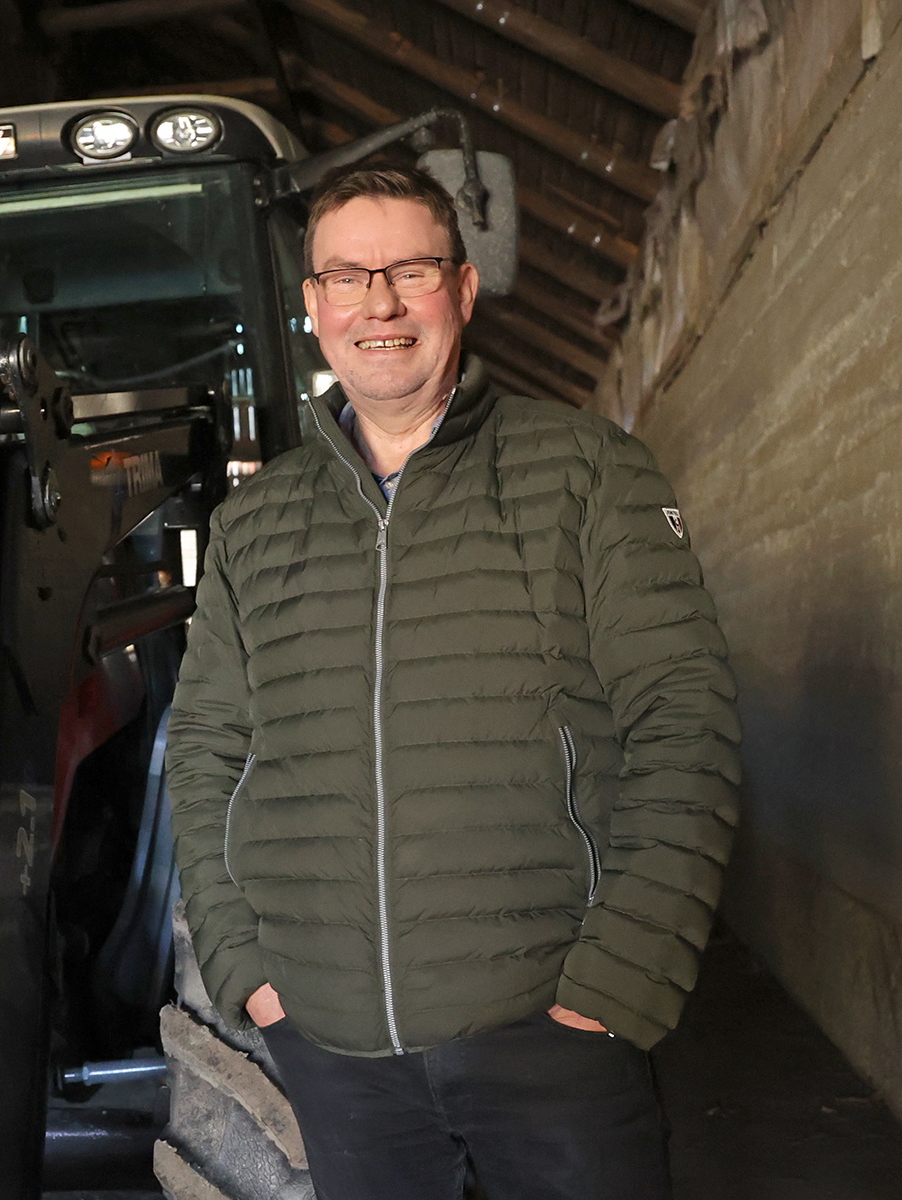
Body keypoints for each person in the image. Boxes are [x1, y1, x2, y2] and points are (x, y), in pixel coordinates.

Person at [165, 165, 741, 1200]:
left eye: (410, 270)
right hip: (336, 1053)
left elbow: (684, 720)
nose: (378, 303)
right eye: (347, 276)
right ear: (314, 307)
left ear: (463, 291)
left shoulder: (584, 472)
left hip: (552, 1038)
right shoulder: (255, 527)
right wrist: (246, 971)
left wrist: (617, 982)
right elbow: (207, 750)